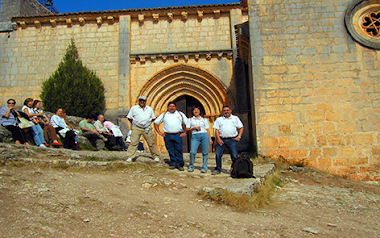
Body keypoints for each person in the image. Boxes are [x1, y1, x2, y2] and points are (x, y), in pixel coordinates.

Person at [154, 101, 187, 171]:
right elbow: (156, 123)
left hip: (178, 135)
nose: (172, 108)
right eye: (170, 106)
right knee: (170, 150)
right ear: (168, 107)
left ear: (175, 107)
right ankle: (173, 163)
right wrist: (159, 132)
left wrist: (185, 132)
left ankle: (180, 164)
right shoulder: (164, 114)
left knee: (178, 150)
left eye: (173, 106)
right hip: (168, 135)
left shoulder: (180, 114)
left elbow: (187, 123)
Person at [126, 96, 160, 162]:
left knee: (151, 143)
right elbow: (129, 117)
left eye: (143, 100)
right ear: (139, 101)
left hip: (147, 128)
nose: (142, 102)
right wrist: (134, 124)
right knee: (133, 142)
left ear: (145, 101)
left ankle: (155, 156)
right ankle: (130, 156)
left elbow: (153, 118)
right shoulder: (134, 108)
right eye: (140, 100)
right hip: (136, 127)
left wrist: (147, 123)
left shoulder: (149, 109)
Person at [212, 106, 244, 175]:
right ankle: (218, 169)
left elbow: (241, 127)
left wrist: (239, 136)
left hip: (232, 139)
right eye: (224, 110)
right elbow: (216, 130)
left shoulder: (235, 118)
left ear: (230, 111)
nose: (226, 112)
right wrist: (218, 139)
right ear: (222, 112)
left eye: (227, 110)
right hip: (222, 139)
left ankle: (235, 170)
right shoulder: (219, 119)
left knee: (234, 155)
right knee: (218, 155)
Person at [186, 106, 212, 173]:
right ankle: (191, 166)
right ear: (193, 111)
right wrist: (194, 128)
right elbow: (187, 129)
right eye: (194, 110)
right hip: (195, 135)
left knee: (205, 152)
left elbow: (207, 129)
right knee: (192, 152)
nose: (196, 111)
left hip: (204, 135)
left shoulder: (204, 119)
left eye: (197, 110)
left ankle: (204, 167)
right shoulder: (190, 119)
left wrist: (210, 138)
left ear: (200, 111)